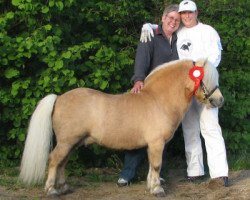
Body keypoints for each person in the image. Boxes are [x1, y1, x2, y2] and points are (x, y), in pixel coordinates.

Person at [140, 0, 229, 186]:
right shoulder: (179, 32)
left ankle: (219, 174)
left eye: (190, 12)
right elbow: (165, 26)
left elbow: (215, 57)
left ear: (197, 13)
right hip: (186, 91)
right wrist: (147, 25)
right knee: (189, 129)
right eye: (184, 13)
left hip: (205, 88)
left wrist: (200, 74)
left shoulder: (208, 31)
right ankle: (195, 171)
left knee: (210, 127)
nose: (187, 16)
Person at [117, 4, 181, 187]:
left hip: (169, 100)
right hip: (149, 95)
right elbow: (141, 58)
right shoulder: (150, 34)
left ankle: (156, 174)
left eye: (176, 19)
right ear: (162, 18)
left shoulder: (180, 38)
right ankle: (127, 174)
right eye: (170, 17)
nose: (173, 21)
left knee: (162, 137)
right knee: (139, 134)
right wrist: (138, 79)